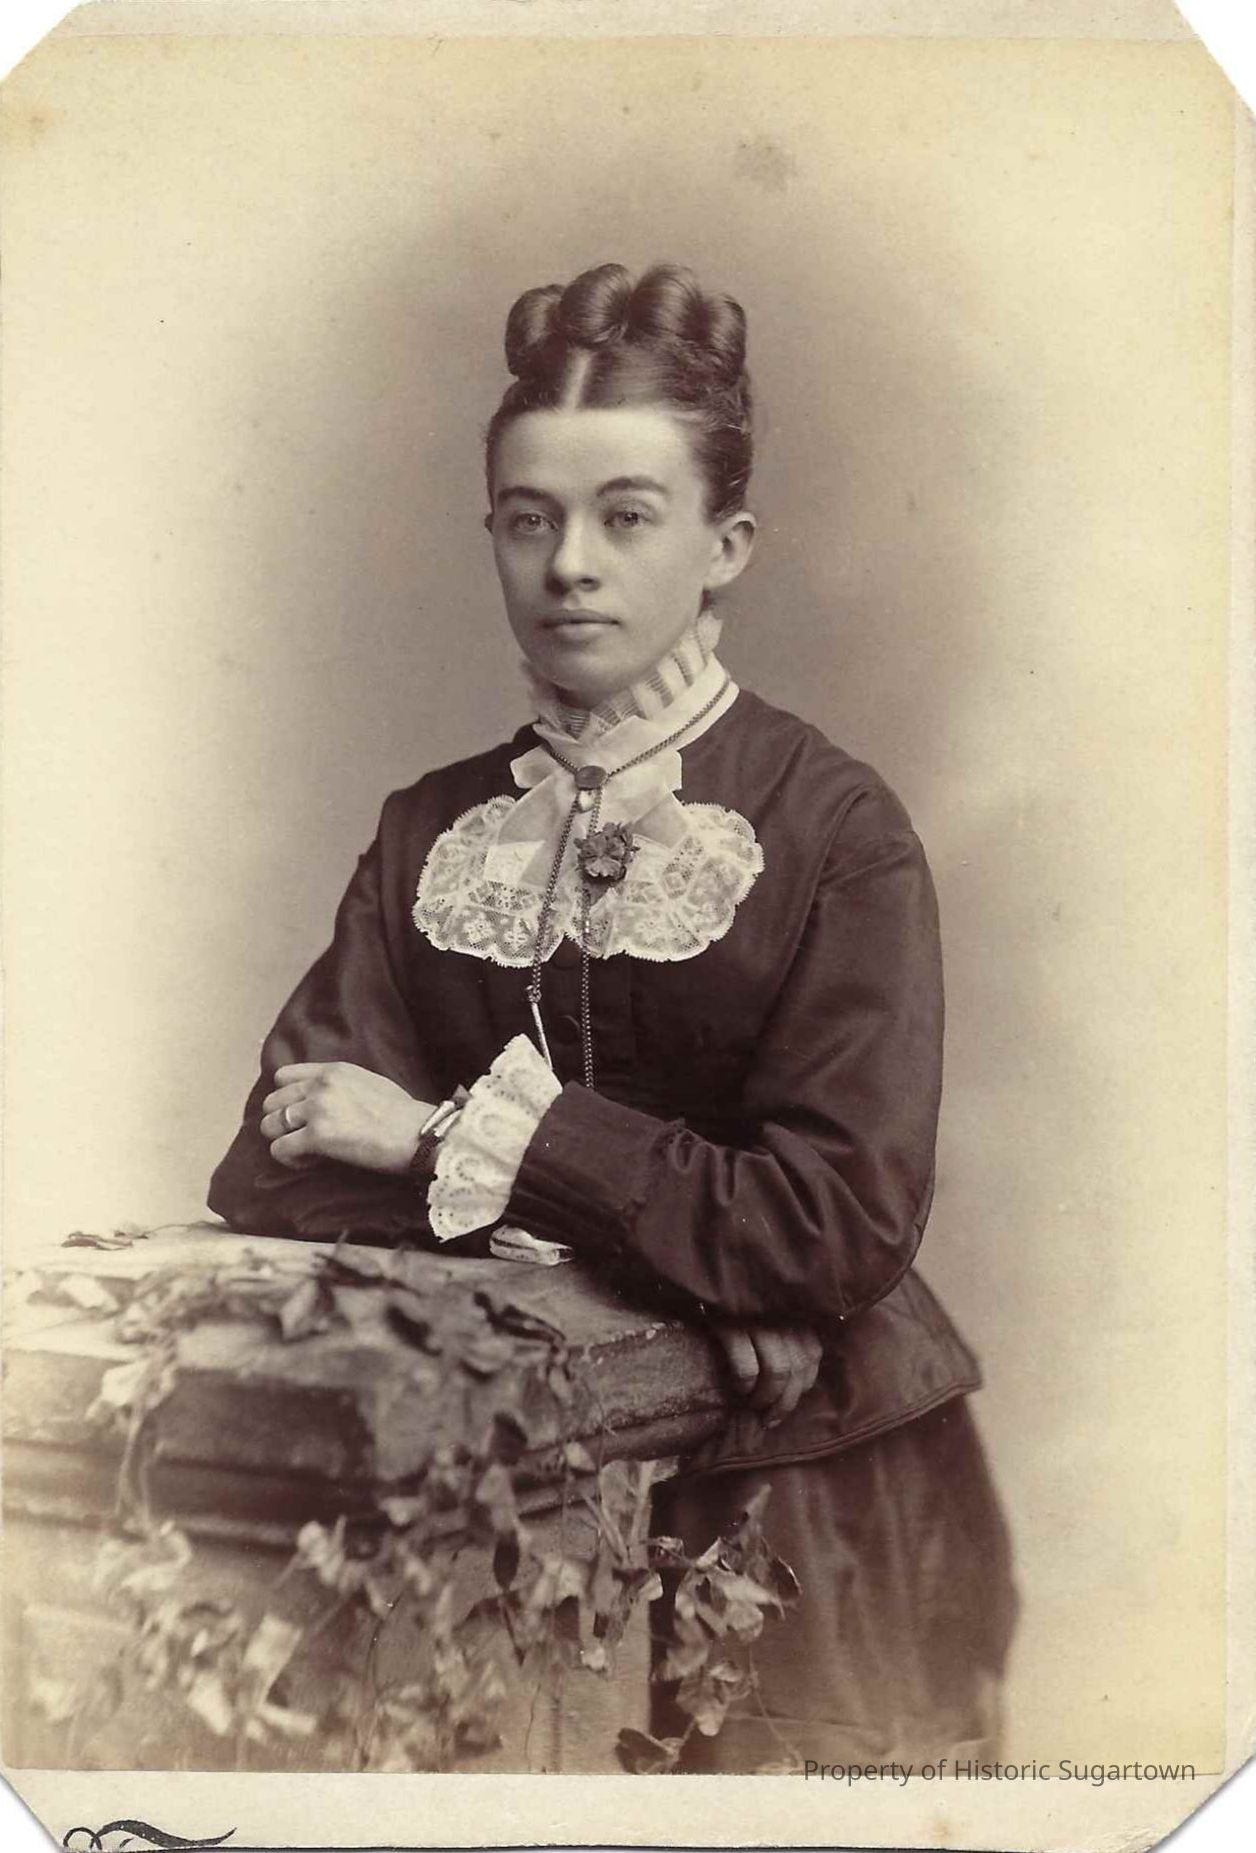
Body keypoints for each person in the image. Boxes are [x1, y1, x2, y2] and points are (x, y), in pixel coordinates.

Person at [209, 260, 1018, 1771]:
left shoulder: (834, 828)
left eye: (627, 517)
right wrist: (694, 1276)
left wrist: (445, 1142)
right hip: (511, 1478)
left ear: (725, 547)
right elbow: (280, 1164)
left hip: (809, 1495)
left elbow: (835, 1226)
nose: (570, 565)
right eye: (530, 519)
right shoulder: (431, 826)